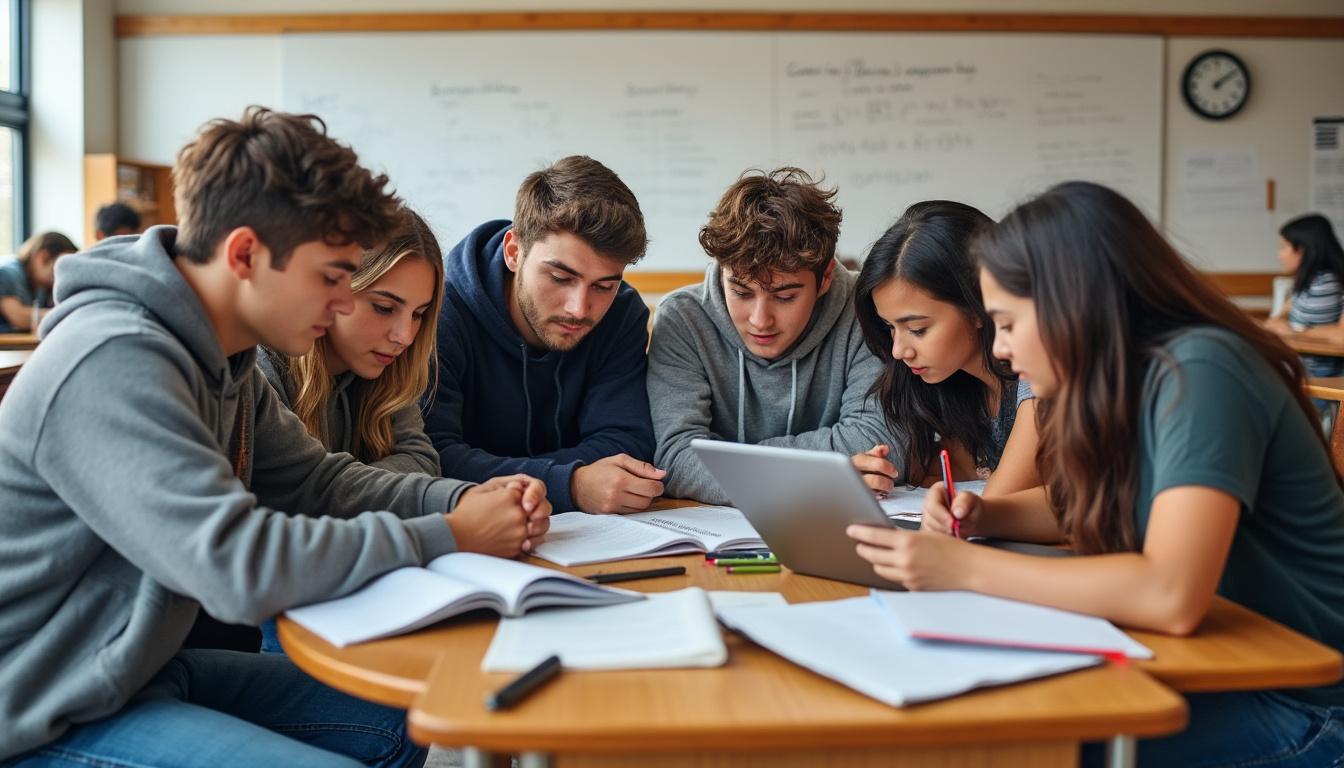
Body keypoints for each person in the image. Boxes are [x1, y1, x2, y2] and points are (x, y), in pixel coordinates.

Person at [0, 106, 550, 768]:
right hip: (39, 706)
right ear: (244, 255)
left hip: (132, 671)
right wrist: (450, 535)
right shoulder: (112, 358)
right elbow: (237, 565)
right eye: (331, 276)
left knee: (409, 716)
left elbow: (316, 481)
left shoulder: (224, 357)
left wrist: (461, 500)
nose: (344, 302)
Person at [846, 181, 1344, 765]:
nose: (1001, 350)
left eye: (1009, 323)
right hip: (1226, 665)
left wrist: (966, 567)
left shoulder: (1202, 370)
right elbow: (1077, 502)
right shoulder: (1127, 379)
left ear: (1072, 304)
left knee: (1013, 746)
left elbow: (1169, 595)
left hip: (1307, 704)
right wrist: (986, 513)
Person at [255, 208, 445, 654]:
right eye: (384, 308)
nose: (404, 335)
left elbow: (423, 461)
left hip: (357, 584)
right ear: (335, 290)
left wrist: (343, 490)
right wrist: (356, 490)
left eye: (419, 314)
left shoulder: (389, 369)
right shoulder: (263, 365)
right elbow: (286, 506)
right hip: (281, 603)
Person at [426, 155, 662, 514]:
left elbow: (626, 443)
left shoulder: (621, 313)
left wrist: (494, 470)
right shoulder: (438, 312)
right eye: (560, 278)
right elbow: (432, 457)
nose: (579, 309)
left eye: (604, 286)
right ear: (514, 252)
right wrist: (571, 484)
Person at [647, 168, 897, 505]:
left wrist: (730, 464)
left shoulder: (865, 309)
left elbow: (882, 445)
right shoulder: (683, 319)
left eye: (785, 297)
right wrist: (814, 477)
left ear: (824, 278)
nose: (760, 320)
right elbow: (676, 459)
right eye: (741, 292)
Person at [852, 200, 1039, 495]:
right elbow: (941, 476)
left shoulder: (1038, 375)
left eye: (918, 329)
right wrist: (874, 475)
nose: (899, 351)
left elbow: (992, 503)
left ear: (979, 306)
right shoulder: (959, 387)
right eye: (890, 327)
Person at [1264, 213, 1344, 407]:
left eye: (1284, 247)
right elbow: (1276, 320)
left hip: (1318, 376)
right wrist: (1286, 324)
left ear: (1301, 250)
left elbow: (1339, 335)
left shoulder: (1326, 284)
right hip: (1300, 370)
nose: (1280, 255)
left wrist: (1294, 331)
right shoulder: (1307, 282)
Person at [0, 231, 77, 333]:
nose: (63, 275)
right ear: (43, 257)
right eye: (62, 267)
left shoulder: (40, 287)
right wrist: (70, 315)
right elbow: (18, 317)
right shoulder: (7, 273)